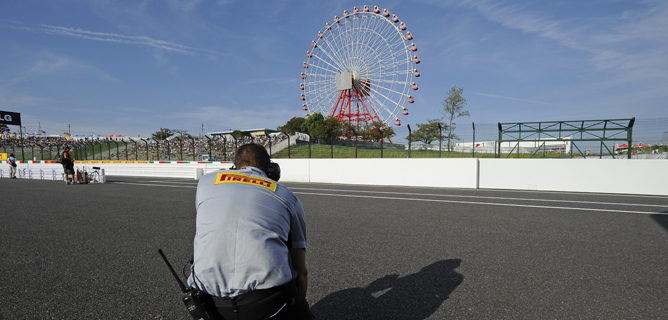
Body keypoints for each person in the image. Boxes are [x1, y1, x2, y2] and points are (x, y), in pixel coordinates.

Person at [188, 143, 313, 320]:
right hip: (267, 303)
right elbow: (301, 266)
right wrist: (299, 301)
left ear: (234, 166)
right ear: (271, 169)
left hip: (209, 302)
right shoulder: (287, 196)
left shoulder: (205, 183)